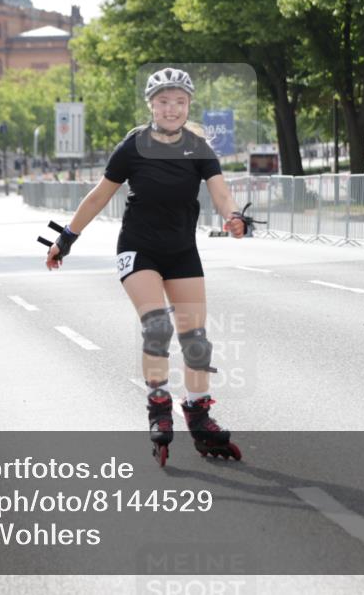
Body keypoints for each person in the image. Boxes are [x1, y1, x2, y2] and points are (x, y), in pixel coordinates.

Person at [44, 67, 249, 466]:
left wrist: (233, 215)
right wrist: (65, 238)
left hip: (182, 251)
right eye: (163, 101)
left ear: (189, 105)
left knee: (196, 338)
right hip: (139, 250)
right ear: (151, 105)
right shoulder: (133, 145)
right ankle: (158, 405)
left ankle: (198, 412)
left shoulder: (199, 146)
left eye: (180, 102)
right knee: (157, 325)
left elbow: (220, 191)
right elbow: (99, 197)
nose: (172, 109)